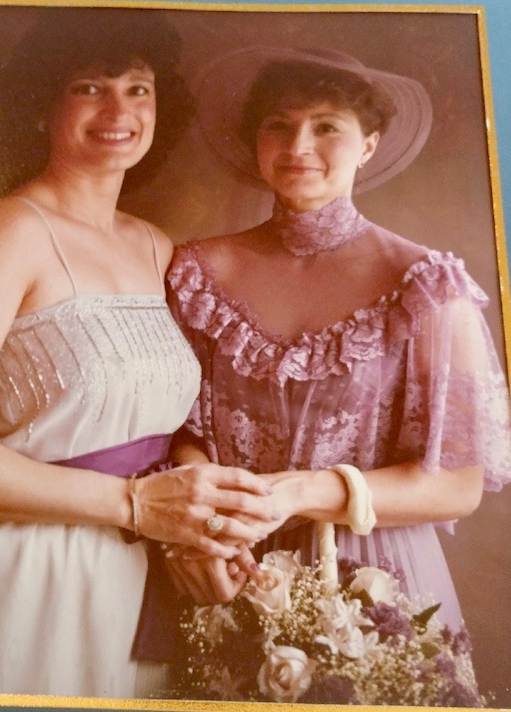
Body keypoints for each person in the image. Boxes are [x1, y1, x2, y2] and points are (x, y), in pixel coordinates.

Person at [0, 14, 276, 698]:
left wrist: (197, 522)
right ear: (41, 106)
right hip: (18, 571)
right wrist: (132, 503)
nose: (118, 111)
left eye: (138, 89)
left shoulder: (156, 245)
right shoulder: (5, 232)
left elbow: (167, 426)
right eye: (89, 87)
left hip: (134, 573)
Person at [166, 46, 511, 632]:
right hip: (228, 564)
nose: (298, 146)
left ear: (368, 145)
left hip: (375, 580)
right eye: (279, 125)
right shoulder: (197, 273)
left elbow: (457, 488)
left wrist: (299, 493)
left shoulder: (426, 285)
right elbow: (177, 432)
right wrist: (205, 528)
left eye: (327, 127)